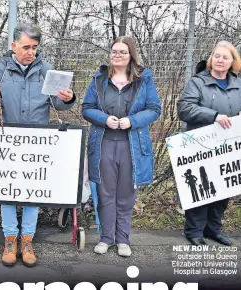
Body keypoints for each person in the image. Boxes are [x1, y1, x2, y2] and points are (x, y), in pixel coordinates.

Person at [0, 23, 75, 267]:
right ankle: (10, 239)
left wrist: (68, 98)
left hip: (37, 143)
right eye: (26, 47)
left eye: (34, 47)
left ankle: (27, 239)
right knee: (7, 189)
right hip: (7, 143)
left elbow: (59, 104)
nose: (31, 52)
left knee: (33, 189)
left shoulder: (45, 70)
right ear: (13, 46)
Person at [82, 36, 161, 257]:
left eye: (123, 52)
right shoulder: (98, 79)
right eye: (114, 51)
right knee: (105, 192)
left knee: (126, 194)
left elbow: (155, 108)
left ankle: (123, 239)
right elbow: (86, 107)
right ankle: (106, 238)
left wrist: (132, 121)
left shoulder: (143, 79)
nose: (117, 55)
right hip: (105, 143)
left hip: (132, 145)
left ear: (131, 56)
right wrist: (104, 119)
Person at [177, 40, 241, 246]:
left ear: (233, 62)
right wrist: (214, 116)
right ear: (211, 59)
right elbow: (185, 108)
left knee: (224, 188)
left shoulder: (238, 83)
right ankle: (194, 231)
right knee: (201, 188)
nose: (220, 60)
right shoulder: (198, 82)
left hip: (229, 144)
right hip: (200, 144)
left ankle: (213, 230)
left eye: (225, 57)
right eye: (217, 56)